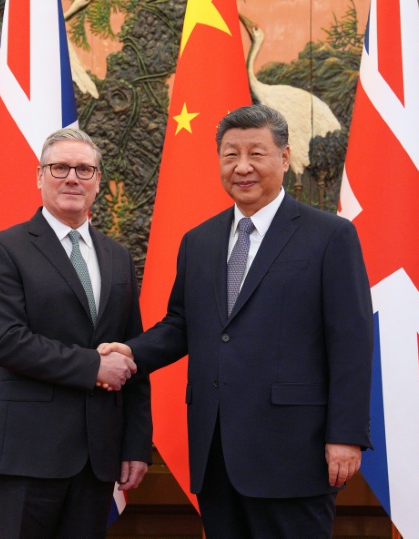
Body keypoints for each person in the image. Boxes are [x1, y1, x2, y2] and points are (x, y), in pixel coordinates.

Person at [102, 104, 373, 537]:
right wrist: (131, 353)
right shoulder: (199, 241)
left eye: (256, 154)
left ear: (284, 158)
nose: (242, 167)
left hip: (294, 453)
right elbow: (181, 325)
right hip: (216, 452)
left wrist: (346, 435)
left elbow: (351, 342)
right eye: (230, 155)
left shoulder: (329, 236)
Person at [0, 128, 152, 538]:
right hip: (25, 454)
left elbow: (131, 352)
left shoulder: (118, 257)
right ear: (40, 176)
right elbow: (3, 340)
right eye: (60, 168)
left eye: (84, 169)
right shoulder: (4, 249)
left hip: (97, 457)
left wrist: (136, 444)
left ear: (98, 182)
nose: (72, 177)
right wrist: (93, 367)